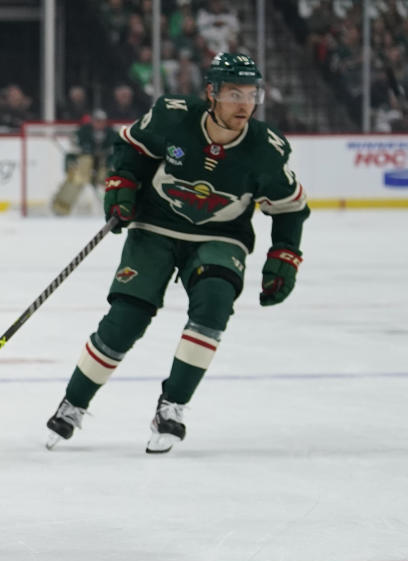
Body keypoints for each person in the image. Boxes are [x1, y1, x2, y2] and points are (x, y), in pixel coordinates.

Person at [45, 52, 310, 453]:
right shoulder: (172, 115)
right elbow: (132, 148)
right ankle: (73, 403)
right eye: (234, 93)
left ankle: (172, 407)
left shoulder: (266, 151)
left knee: (214, 303)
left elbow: (291, 208)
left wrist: (284, 258)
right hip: (155, 227)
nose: (244, 103)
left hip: (221, 236)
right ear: (211, 93)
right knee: (126, 320)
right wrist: (122, 183)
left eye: (251, 93)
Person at [50, 109, 119, 216]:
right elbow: (72, 152)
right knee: (77, 177)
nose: (99, 123)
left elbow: (116, 153)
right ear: (92, 121)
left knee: (111, 180)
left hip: (104, 165)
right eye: (97, 120)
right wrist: (70, 164)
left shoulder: (112, 134)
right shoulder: (82, 132)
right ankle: (61, 208)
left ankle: (117, 208)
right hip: (85, 165)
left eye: (101, 121)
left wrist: (111, 165)